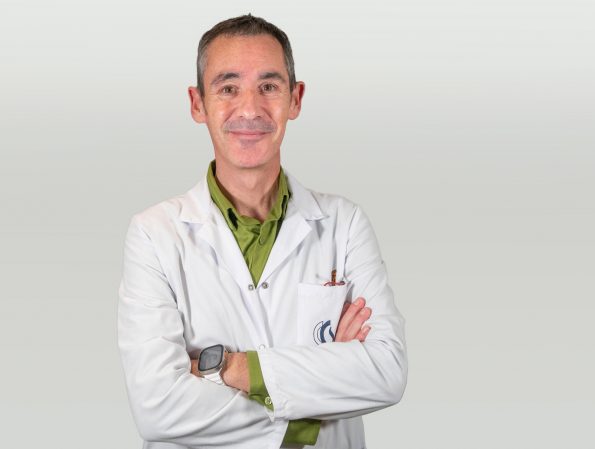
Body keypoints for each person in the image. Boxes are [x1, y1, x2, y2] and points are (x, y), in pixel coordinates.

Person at [118, 14, 407, 449]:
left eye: (269, 86)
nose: (250, 109)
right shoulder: (154, 235)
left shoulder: (344, 225)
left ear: (296, 99)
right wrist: (310, 409)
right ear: (198, 104)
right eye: (228, 88)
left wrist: (230, 369)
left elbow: (387, 372)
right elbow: (157, 408)